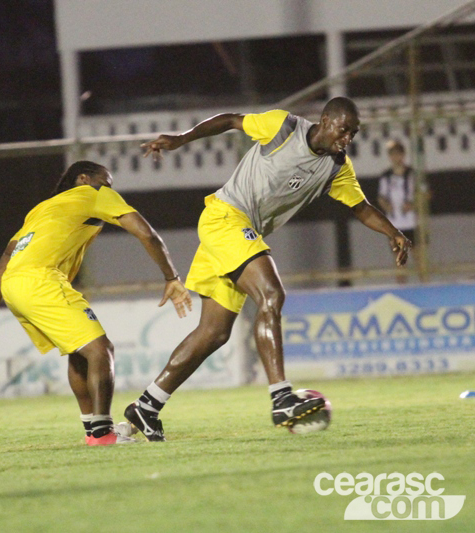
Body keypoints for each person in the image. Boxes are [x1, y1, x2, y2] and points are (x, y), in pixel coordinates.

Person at [124, 97, 412, 441]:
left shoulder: (337, 166)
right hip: (225, 218)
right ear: (325, 120)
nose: (348, 137)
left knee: (214, 332)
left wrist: (393, 233)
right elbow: (231, 119)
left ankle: (146, 406)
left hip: (236, 232)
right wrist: (182, 139)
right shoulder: (283, 126)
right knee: (272, 294)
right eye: (344, 129)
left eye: (354, 132)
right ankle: (281, 398)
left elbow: (360, 206)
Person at [0, 161, 192, 446]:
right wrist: (171, 276)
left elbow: (5, 259)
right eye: (105, 181)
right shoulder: (93, 193)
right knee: (100, 350)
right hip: (41, 280)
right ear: (83, 178)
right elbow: (147, 234)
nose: (109, 188)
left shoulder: (43, 208)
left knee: (80, 352)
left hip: (14, 284)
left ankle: (95, 430)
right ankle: (102, 434)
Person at [377, 139, 420, 283]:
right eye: (393, 155)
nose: (396, 158)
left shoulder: (411, 174)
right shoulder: (386, 176)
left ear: (403, 155)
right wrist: (387, 206)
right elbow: (381, 197)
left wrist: (412, 205)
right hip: (395, 224)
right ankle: (402, 289)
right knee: (400, 260)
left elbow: (422, 194)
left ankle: (425, 285)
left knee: (418, 257)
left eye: (398, 154)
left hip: (411, 223)